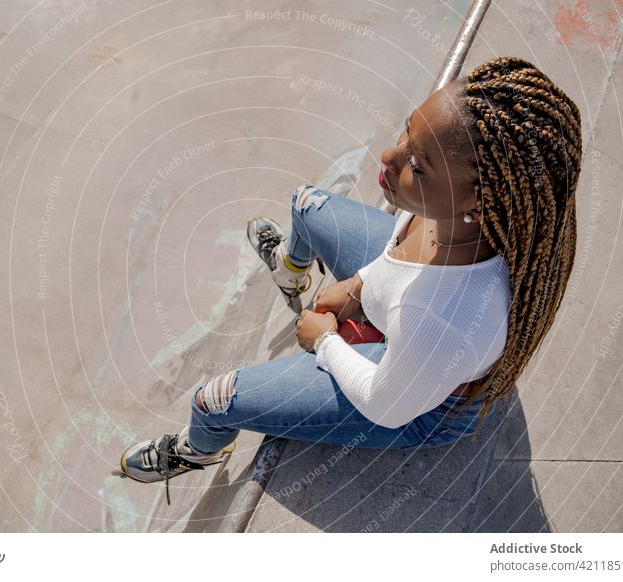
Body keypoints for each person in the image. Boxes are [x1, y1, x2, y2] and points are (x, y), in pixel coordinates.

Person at [113, 56, 582, 506]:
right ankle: (292, 274)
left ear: (478, 200)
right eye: (406, 132)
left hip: (414, 403)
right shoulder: (457, 215)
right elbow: (399, 258)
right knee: (306, 204)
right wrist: (358, 286)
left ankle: (199, 448)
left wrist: (326, 343)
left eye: (417, 165)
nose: (389, 155)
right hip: (413, 333)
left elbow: (386, 405)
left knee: (212, 400)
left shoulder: (441, 318)